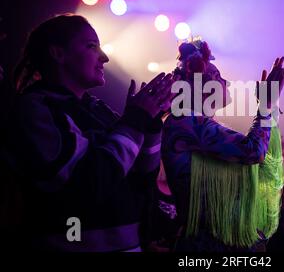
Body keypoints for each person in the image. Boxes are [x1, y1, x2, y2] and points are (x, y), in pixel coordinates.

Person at [3, 13, 177, 251]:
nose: (104, 57)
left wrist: (151, 123)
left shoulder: (97, 109)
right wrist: (135, 120)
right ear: (58, 53)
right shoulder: (36, 108)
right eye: (91, 46)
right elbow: (90, 183)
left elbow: (141, 178)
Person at [161, 40, 284, 251]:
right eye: (218, 76)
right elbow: (253, 151)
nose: (226, 82)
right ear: (200, 84)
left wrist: (270, 105)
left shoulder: (197, 127)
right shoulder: (183, 122)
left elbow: (261, 166)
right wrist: (265, 107)